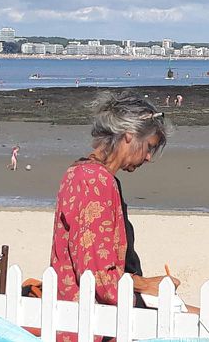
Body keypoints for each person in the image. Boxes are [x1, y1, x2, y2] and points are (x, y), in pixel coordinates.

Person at [50, 91, 193, 342]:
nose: (148, 157)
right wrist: (147, 285)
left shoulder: (81, 172)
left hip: (79, 316)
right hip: (94, 325)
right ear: (129, 135)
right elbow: (98, 274)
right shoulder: (96, 180)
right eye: (149, 146)